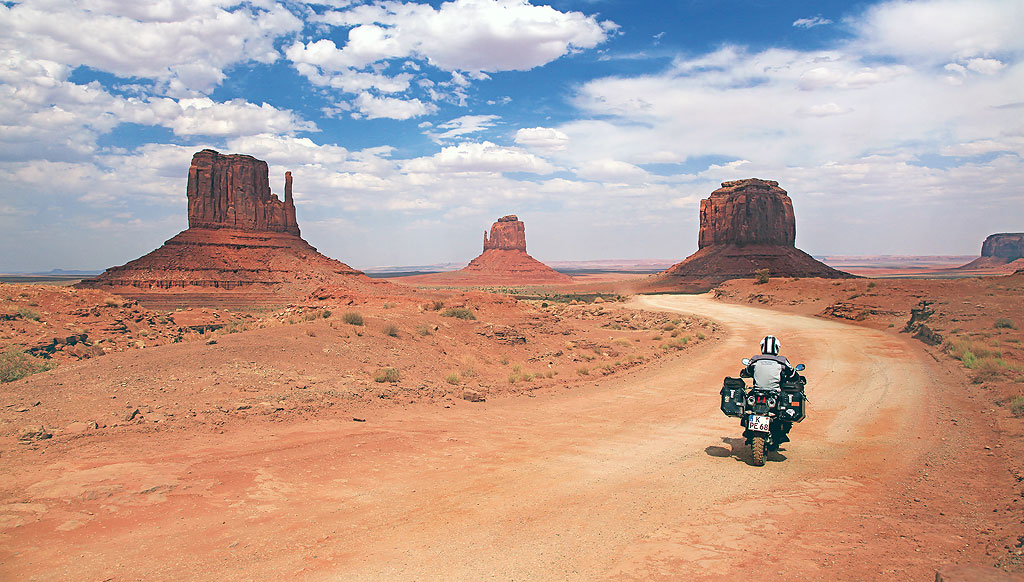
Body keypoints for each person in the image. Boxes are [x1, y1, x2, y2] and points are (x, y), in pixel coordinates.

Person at [745, 335, 797, 448]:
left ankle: (747, 430)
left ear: (762, 347)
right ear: (777, 348)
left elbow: (746, 371)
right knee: (785, 410)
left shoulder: (755, 360)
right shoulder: (782, 361)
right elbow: (792, 374)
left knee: (747, 406)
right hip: (775, 394)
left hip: (756, 393)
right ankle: (780, 433)